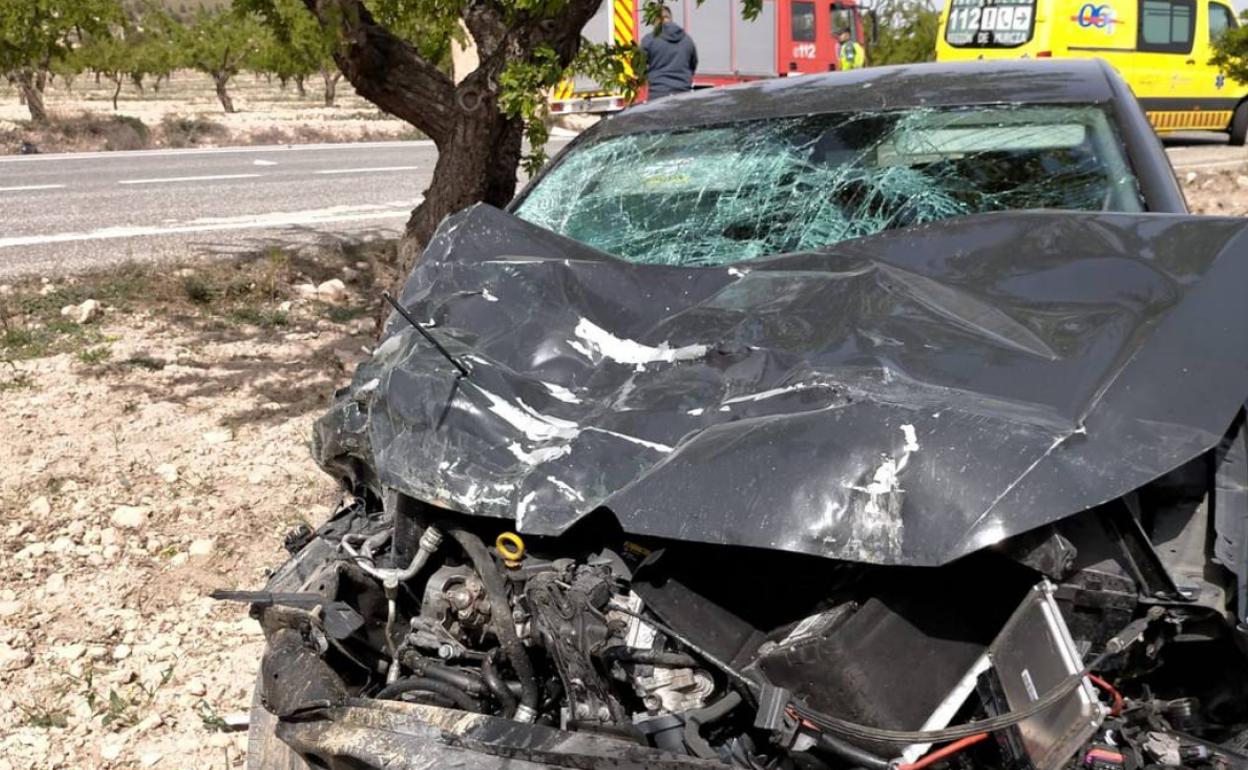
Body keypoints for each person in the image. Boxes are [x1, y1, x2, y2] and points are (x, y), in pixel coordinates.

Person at [642, 6, 699, 99]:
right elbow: (693, 65)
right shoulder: (687, 40)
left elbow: (638, 66)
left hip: (657, 94)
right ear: (670, 18)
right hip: (684, 94)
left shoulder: (649, 40)